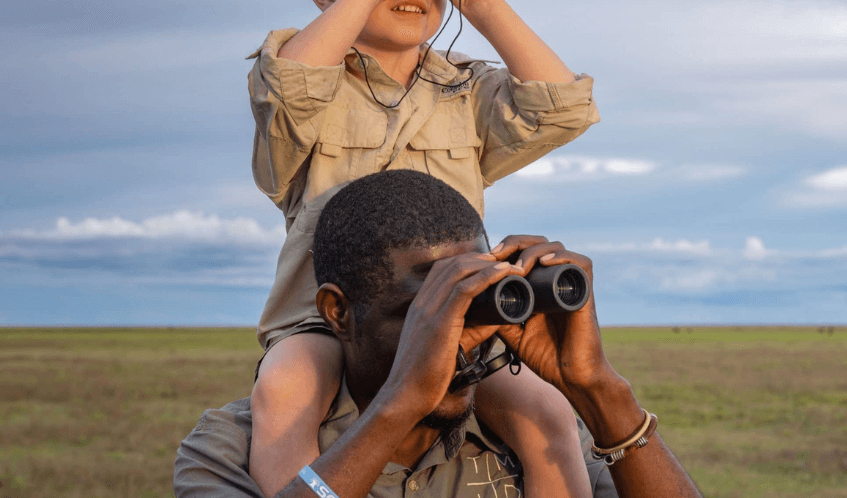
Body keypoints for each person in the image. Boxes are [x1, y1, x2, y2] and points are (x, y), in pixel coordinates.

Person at [247, 0, 600, 495]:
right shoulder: (300, 77)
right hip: (330, 319)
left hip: (453, 313)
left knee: (544, 410)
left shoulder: (465, 89)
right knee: (285, 389)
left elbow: (561, 109)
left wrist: (482, 2)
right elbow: (292, 88)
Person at [175, 170, 703, 498]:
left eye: (471, 306)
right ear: (338, 312)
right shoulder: (227, 449)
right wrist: (400, 403)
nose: (458, 340)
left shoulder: (544, 433)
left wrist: (599, 391)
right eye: (423, 313)